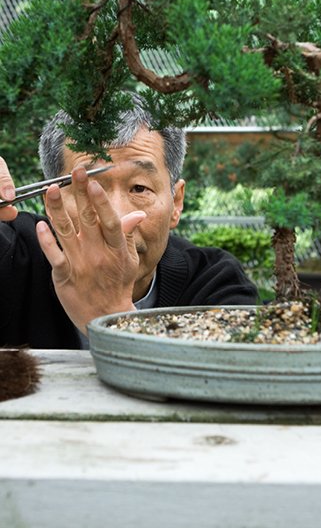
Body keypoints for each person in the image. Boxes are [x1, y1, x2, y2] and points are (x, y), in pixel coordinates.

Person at [0, 94, 258, 349]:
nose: (117, 218)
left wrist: (109, 316)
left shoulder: (213, 286)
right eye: (88, 190)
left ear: (176, 203)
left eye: (139, 188)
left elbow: (230, 377)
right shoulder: (10, 260)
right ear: (51, 202)